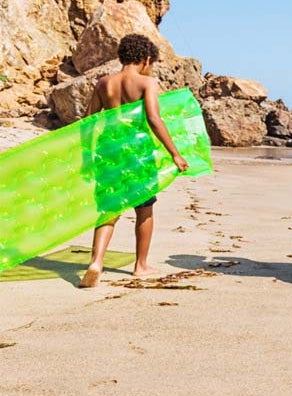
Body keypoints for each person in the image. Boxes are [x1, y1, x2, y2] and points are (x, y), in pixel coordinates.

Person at [79, 34, 190, 288]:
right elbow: (154, 118)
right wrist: (174, 152)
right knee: (144, 209)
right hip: (137, 152)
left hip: (108, 150)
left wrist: (87, 157)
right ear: (146, 59)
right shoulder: (146, 83)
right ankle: (141, 265)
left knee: (108, 209)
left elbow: (88, 123)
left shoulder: (103, 83)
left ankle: (96, 262)